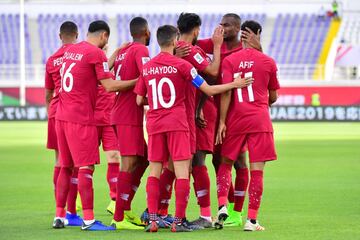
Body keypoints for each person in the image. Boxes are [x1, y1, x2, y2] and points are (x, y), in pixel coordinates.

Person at [135, 24, 253, 233]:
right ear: (174, 42)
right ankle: (178, 222)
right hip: (178, 123)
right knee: (182, 173)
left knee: (154, 172)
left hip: (154, 123)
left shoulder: (148, 67)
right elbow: (208, 88)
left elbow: (138, 100)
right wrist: (234, 84)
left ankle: (153, 220)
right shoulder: (182, 65)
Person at [53, 20, 138, 231]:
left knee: (65, 166)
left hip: (61, 116)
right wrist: (139, 80)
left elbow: (95, 72)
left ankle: (60, 216)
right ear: (104, 36)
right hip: (80, 118)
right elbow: (109, 86)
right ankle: (89, 220)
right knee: (86, 167)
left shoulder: (73, 50)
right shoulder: (96, 53)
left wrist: (116, 53)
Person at [196, 13, 262, 226]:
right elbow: (192, 40)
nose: (221, 28)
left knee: (239, 161)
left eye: (226, 25)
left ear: (237, 28)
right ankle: (226, 207)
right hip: (213, 111)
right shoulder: (215, 42)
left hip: (235, 114)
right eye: (220, 24)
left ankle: (236, 211)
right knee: (218, 161)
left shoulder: (243, 53)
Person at [215, 20, 280, 231]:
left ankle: (223, 205)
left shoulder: (230, 60)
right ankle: (251, 221)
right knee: (257, 171)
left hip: (236, 119)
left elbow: (226, 91)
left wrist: (222, 121)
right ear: (258, 34)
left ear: (242, 35)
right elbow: (274, 96)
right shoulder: (268, 61)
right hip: (259, 119)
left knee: (225, 164)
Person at [110, 16, 150, 230]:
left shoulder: (125, 51)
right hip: (127, 115)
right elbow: (147, 76)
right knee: (127, 165)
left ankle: (124, 207)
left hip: (123, 113)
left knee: (143, 159)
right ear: (145, 31)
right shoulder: (141, 51)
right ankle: (118, 217)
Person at [45, 21, 82, 226]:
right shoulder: (78, 57)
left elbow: (48, 93)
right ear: (76, 35)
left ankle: (60, 211)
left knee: (59, 161)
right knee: (76, 163)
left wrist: (50, 112)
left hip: (55, 112)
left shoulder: (52, 60)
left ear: (60, 36)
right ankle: (72, 211)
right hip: (73, 112)